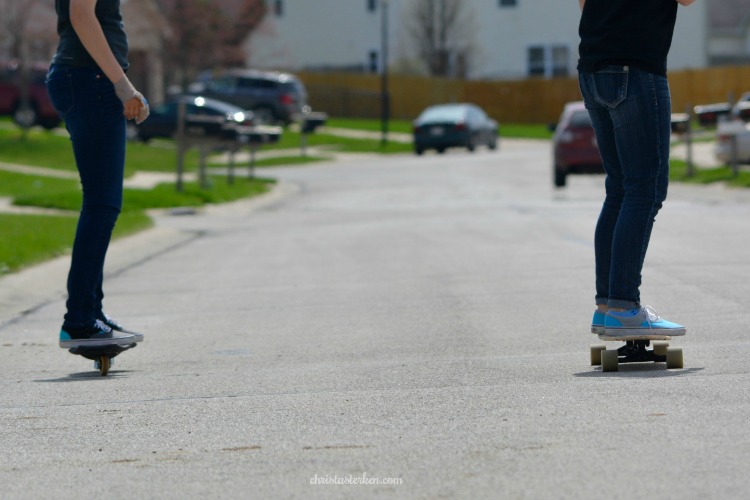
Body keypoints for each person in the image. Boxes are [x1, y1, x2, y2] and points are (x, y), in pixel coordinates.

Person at [577, 0, 696, 336]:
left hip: (593, 68)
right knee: (645, 188)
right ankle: (624, 307)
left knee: (619, 189)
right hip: (635, 69)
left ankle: (607, 306)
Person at [47, 0, 149, 348]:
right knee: (102, 204)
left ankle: (91, 314)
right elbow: (80, 14)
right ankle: (79, 320)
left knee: (101, 204)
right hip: (90, 80)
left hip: (87, 78)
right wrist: (122, 85)